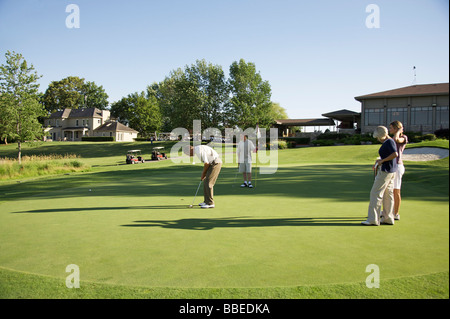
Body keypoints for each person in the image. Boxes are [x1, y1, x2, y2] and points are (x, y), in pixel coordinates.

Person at [362, 126, 398, 226]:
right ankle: (388, 218)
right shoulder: (389, 141)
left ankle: (373, 219)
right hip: (390, 171)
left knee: (375, 193)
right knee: (387, 194)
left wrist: (382, 161)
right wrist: (380, 161)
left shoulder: (389, 141)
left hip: (386, 172)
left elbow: (395, 154)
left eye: (378, 137)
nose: (377, 139)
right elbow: (389, 155)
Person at [184, 144, 222, 209]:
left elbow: (206, 163)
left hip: (215, 163)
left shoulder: (198, 150)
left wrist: (203, 174)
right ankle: (206, 201)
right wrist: (204, 174)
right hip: (212, 163)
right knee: (205, 182)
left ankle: (210, 203)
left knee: (209, 183)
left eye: (187, 154)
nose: (189, 156)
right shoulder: (197, 149)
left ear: (189, 150)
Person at [388, 121, 408, 220]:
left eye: (391, 128)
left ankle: (396, 213)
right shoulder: (391, 139)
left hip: (398, 167)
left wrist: (399, 131)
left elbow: (397, 139)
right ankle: (388, 211)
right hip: (391, 166)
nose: (390, 129)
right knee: (389, 191)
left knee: (396, 191)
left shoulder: (403, 138)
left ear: (396, 129)